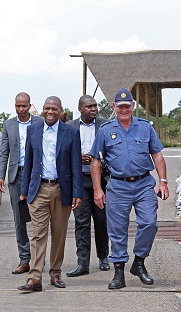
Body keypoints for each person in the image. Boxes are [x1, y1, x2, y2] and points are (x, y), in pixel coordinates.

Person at [90, 88, 169, 290]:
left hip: (143, 184)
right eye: (120, 106)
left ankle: (139, 262)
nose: (124, 110)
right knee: (117, 230)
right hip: (117, 185)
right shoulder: (105, 130)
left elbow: (157, 155)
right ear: (114, 107)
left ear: (133, 106)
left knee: (149, 223)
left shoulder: (145, 128)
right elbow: (96, 162)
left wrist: (163, 181)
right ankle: (118, 273)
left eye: (127, 106)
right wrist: (98, 190)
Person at [17, 96, 83, 292]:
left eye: (54, 108)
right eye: (47, 108)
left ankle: (55, 273)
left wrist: (77, 192)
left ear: (61, 111)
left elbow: (76, 165)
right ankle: (35, 277)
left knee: (59, 234)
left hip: (62, 190)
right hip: (38, 190)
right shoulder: (33, 130)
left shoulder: (71, 132)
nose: (50, 112)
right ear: (42, 110)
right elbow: (28, 161)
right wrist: (24, 191)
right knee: (38, 235)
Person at [0, 92, 43, 275]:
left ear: (30, 106)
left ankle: (38, 259)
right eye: (18, 106)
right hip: (17, 176)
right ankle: (24, 259)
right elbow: (4, 152)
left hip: (36, 177)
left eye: (24, 106)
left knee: (39, 219)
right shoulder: (9, 124)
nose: (21, 109)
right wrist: (1, 175)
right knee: (19, 220)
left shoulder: (39, 122)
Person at [66, 95, 110, 277]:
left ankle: (103, 257)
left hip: (102, 180)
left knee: (102, 220)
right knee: (81, 222)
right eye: (89, 106)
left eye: (95, 106)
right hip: (80, 181)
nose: (94, 109)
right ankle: (82, 263)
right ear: (80, 109)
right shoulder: (69, 127)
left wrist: (99, 161)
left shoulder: (106, 125)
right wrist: (77, 157)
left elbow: (112, 149)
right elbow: (62, 153)